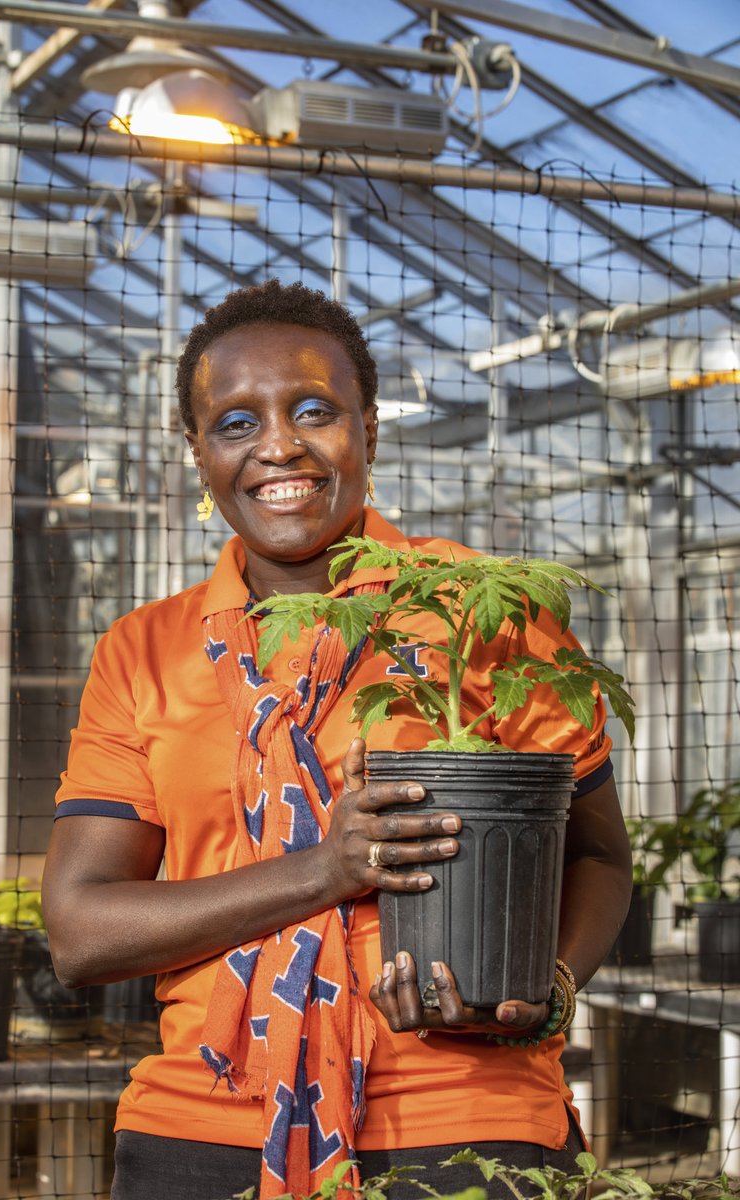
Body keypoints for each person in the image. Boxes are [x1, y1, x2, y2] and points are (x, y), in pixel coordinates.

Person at [42, 278, 632, 1200]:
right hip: (205, 1126)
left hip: (466, 1113)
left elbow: (599, 857)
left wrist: (545, 986)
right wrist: (326, 869)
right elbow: (80, 932)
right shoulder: (145, 652)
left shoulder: (482, 610)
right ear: (196, 453)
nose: (279, 444)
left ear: (369, 430)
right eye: (235, 423)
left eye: (315, 410)